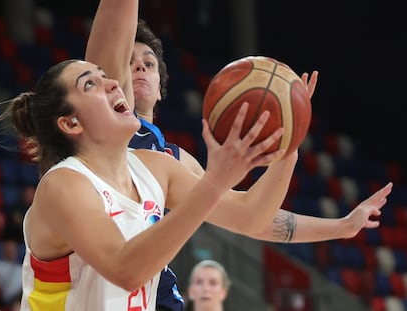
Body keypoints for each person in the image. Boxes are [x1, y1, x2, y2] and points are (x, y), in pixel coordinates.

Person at [83, 3, 393, 310]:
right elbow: (114, 19)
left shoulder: (173, 160)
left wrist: (292, 143)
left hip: (150, 295)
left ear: (161, 88)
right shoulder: (105, 122)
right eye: (130, 61)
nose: (138, 66)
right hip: (100, 286)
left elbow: (251, 217)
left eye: (148, 63)